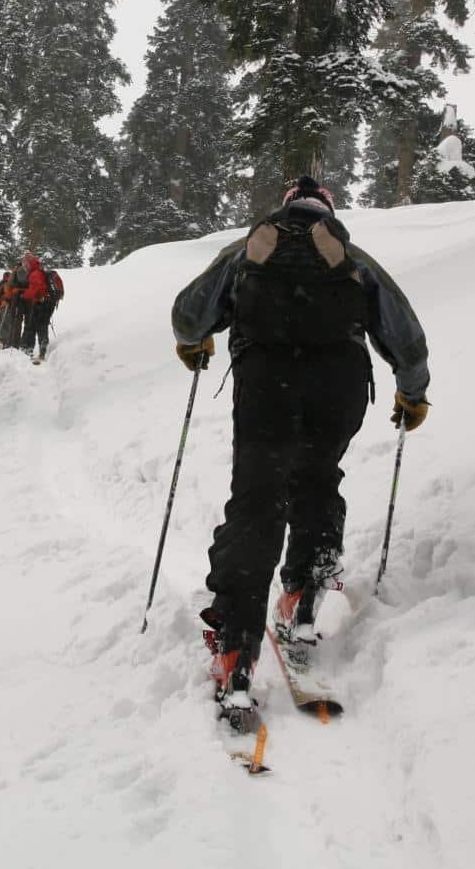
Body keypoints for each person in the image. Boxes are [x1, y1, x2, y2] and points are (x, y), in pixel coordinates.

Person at [170, 175, 430, 727]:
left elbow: (189, 311)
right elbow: (403, 332)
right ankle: (303, 599)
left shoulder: (250, 250)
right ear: (328, 213)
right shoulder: (350, 258)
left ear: (285, 209)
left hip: (267, 388)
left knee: (258, 503)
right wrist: (413, 391)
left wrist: (195, 342)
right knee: (315, 479)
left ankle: (237, 648)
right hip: (337, 389)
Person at [16, 252, 54, 363]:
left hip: (42, 302)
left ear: (29, 263)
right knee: (42, 325)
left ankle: (28, 349)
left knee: (32, 325)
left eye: (25, 264)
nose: (24, 267)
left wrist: (25, 295)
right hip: (47, 302)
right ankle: (41, 348)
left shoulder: (35, 273)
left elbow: (37, 288)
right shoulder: (39, 270)